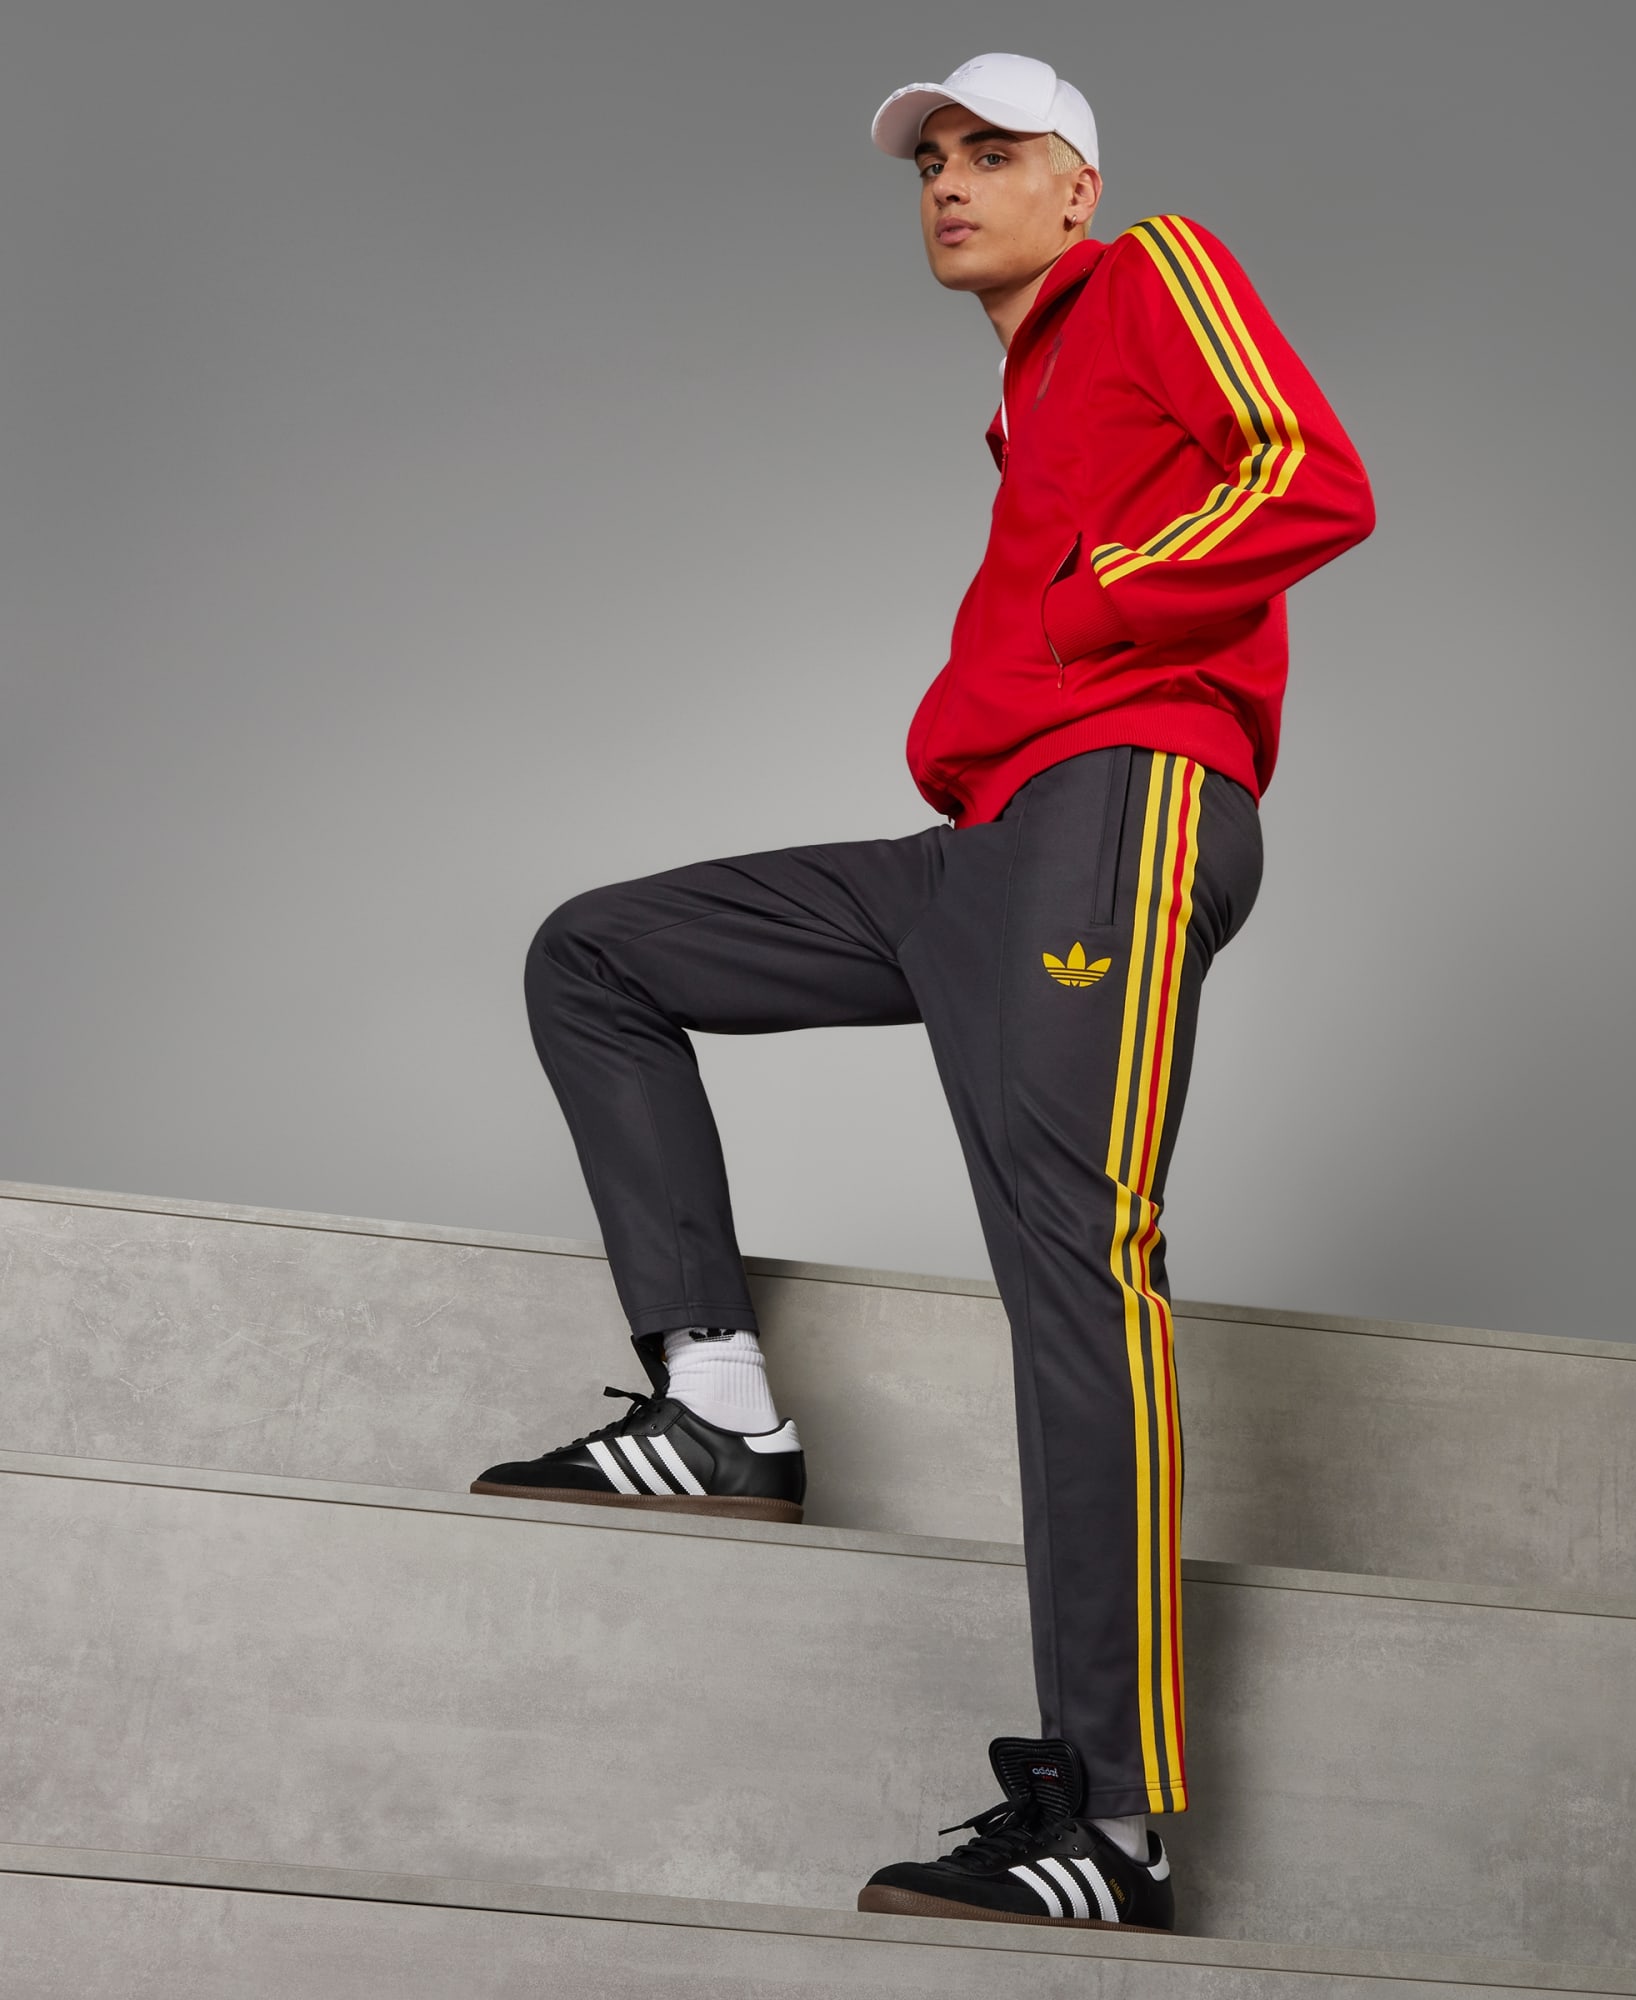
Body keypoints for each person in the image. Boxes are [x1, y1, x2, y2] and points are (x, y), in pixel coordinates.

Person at [472, 50, 1375, 1933]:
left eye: (995, 152)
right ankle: (722, 1414)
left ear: (1079, 187)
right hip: (982, 848)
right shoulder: (1023, 393)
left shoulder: (1153, 271)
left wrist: (1092, 608)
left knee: (1076, 1269)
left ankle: (1111, 1830)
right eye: (930, 160)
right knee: (600, 954)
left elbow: (1312, 475)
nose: (950, 181)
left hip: (1119, 806)